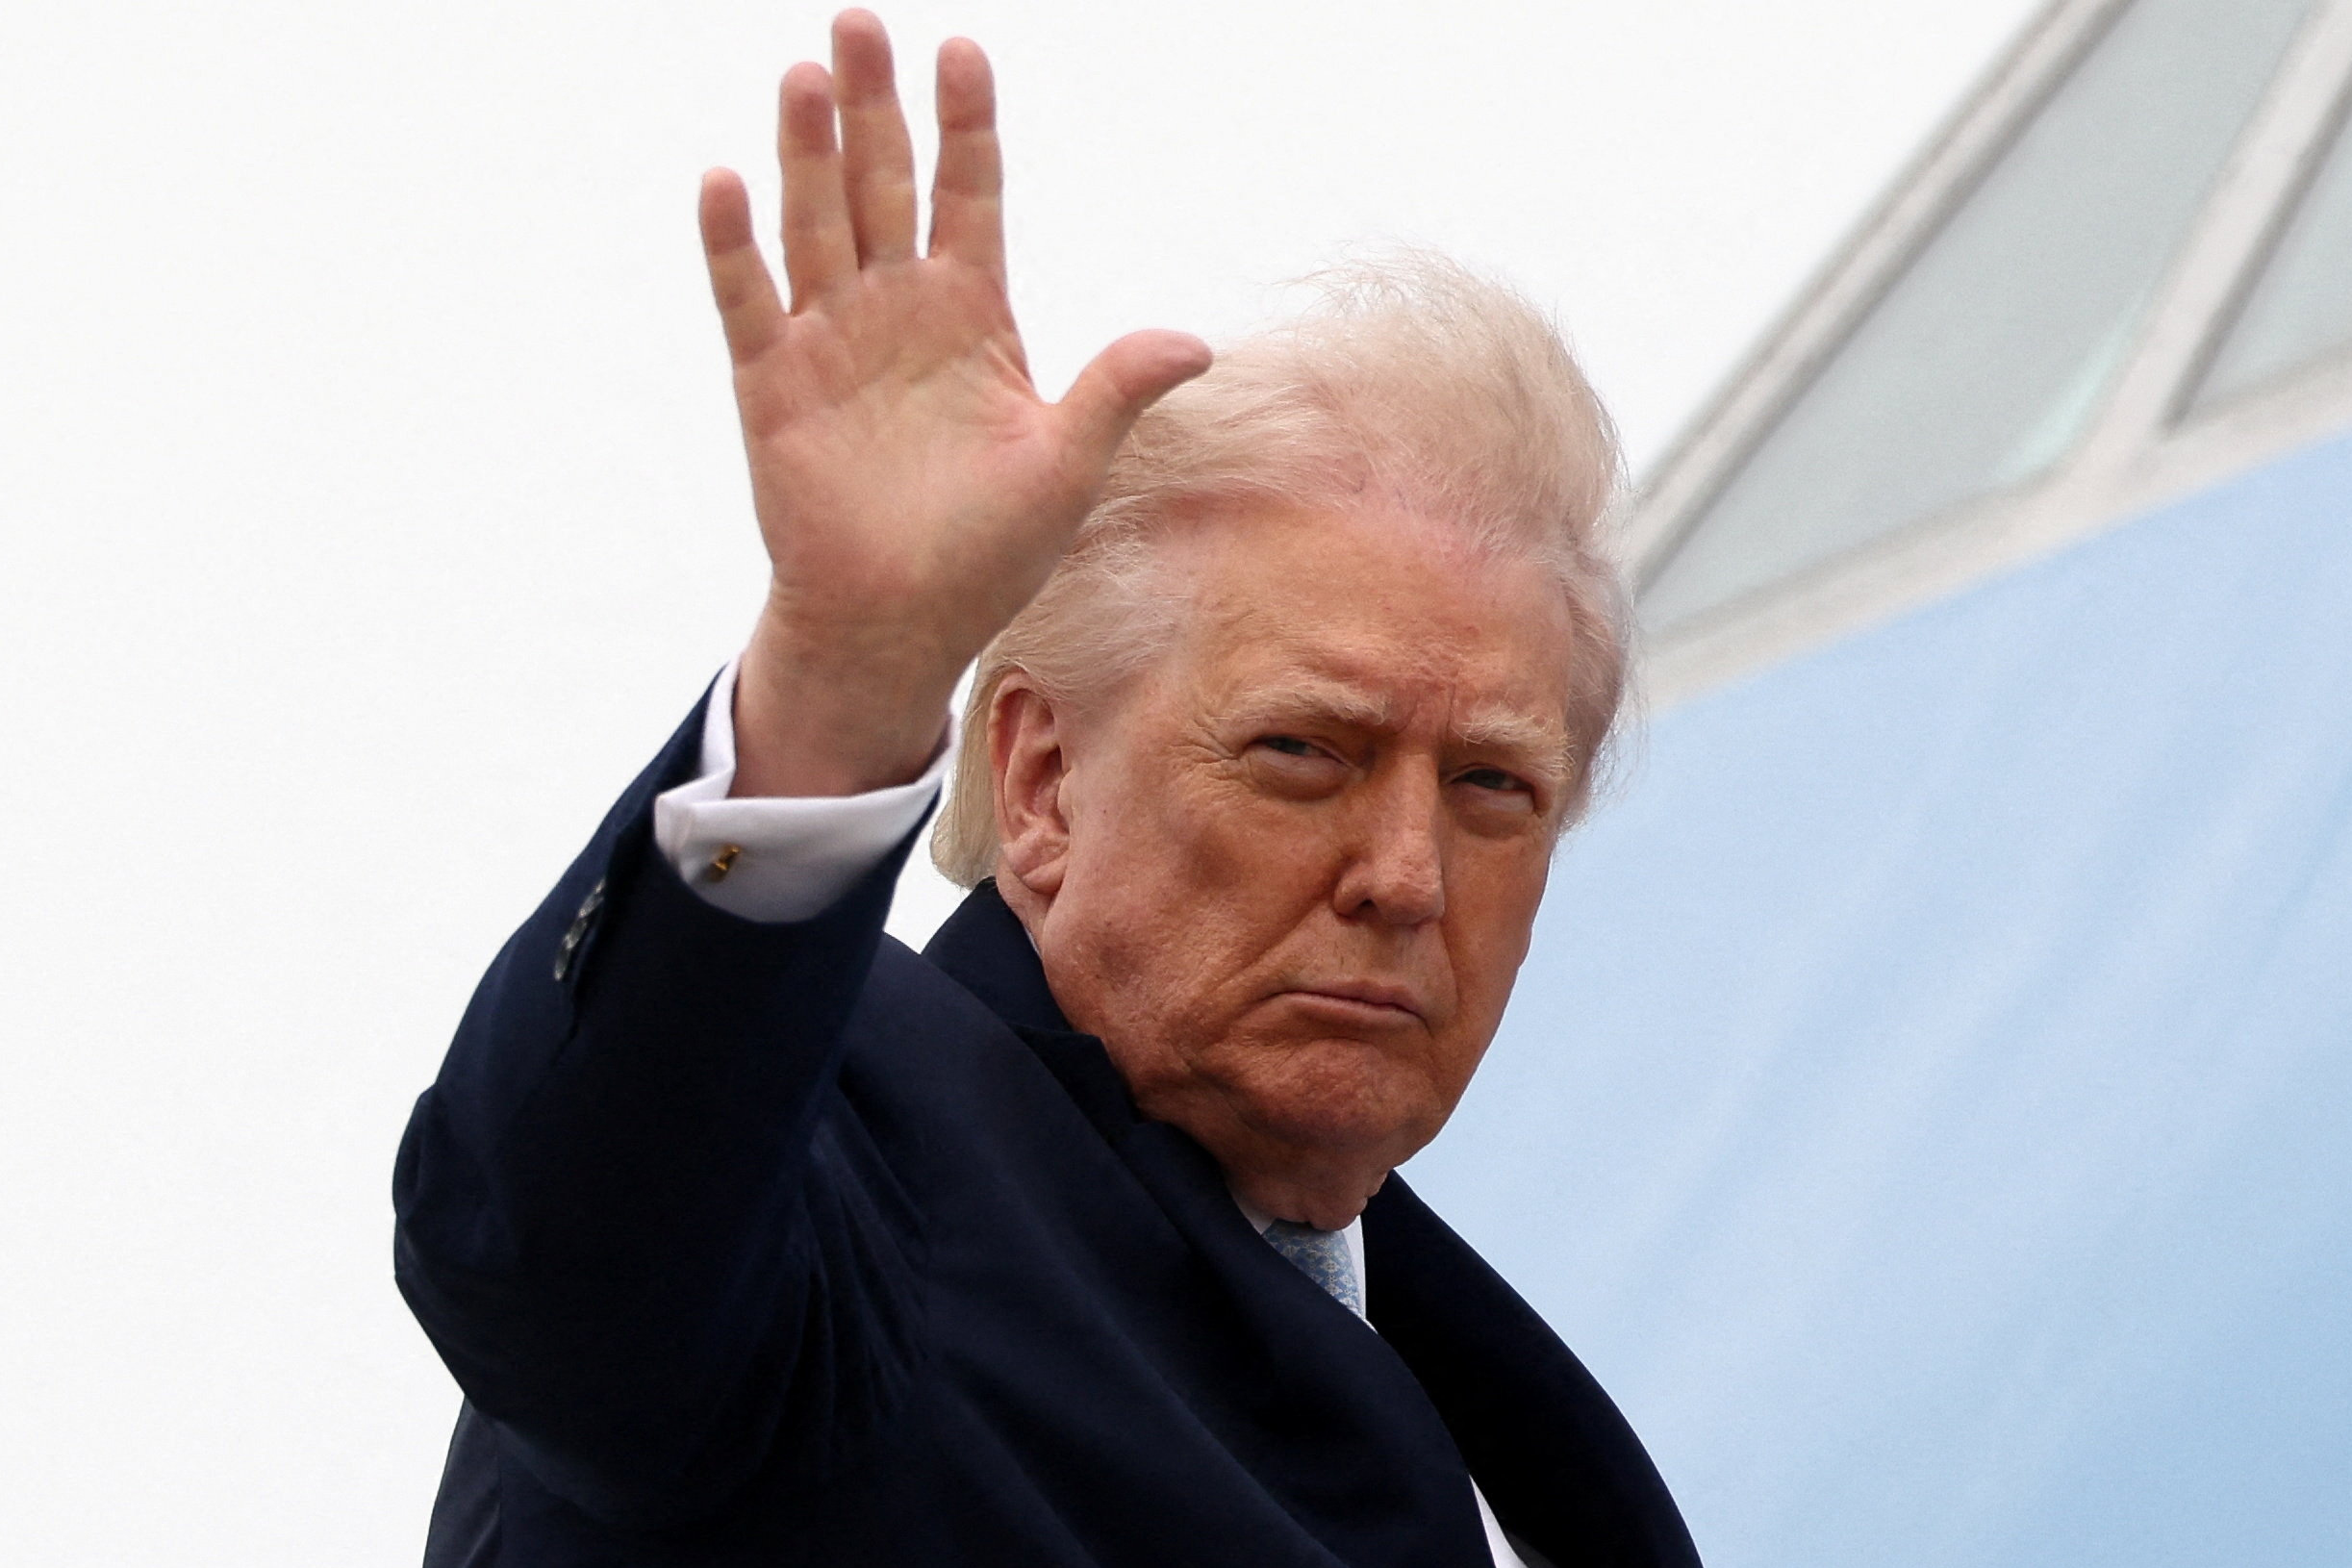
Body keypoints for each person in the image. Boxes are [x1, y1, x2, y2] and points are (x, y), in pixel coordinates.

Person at [393, 11, 1700, 1566]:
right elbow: (554, 1254)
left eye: (1494, 784)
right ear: (1038, 780)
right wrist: (841, 682)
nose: (1406, 873)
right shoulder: (849, 1160)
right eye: (1304, 752)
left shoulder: (1497, 1409)